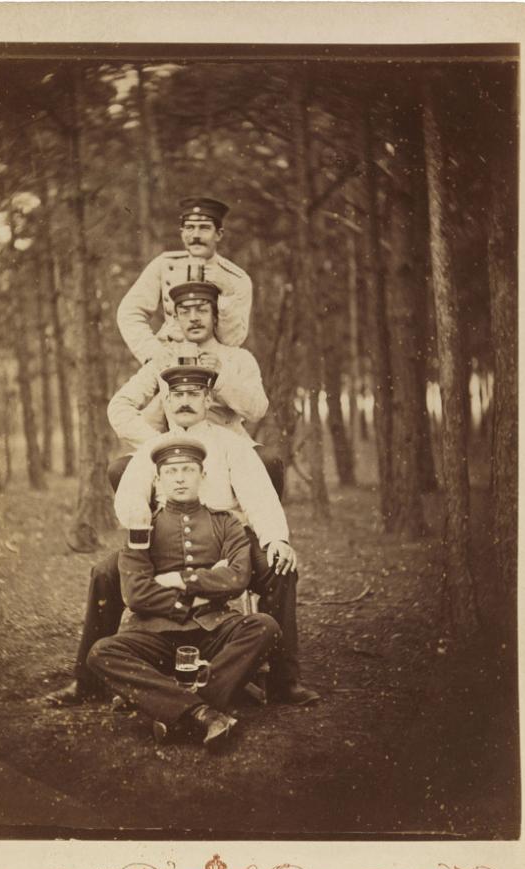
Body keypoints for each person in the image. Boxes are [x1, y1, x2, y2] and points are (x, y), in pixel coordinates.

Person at [48, 366, 319, 709]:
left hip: (225, 534)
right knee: (104, 573)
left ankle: (284, 679)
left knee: (280, 567)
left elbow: (259, 497)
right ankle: (85, 680)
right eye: (177, 395)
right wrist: (138, 516)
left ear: (208, 399)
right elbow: (130, 494)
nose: (185, 402)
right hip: (165, 537)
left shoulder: (233, 445)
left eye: (193, 395)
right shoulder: (154, 447)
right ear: (166, 400)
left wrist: (276, 539)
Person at [84, 438, 281, 750]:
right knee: (100, 653)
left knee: (265, 626)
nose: (179, 477)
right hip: (156, 634)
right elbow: (135, 593)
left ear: (202, 476)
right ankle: (204, 713)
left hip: (213, 628)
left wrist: (180, 579)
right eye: (171, 471)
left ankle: (171, 711)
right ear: (158, 480)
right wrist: (200, 591)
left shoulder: (226, 523)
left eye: (188, 470)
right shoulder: (142, 527)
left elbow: (237, 578)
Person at [108, 279, 283, 496]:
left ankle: (254, 530)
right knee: (121, 470)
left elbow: (258, 409)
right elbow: (119, 407)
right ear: (176, 318)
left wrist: (222, 379)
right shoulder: (164, 360)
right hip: (178, 451)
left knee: (269, 462)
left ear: (215, 315)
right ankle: (152, 529)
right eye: (184, 312)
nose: (193, 318)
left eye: (202, 310)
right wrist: (156, 441)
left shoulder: (238, 358)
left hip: (230, 449)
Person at [116, 197, 252, 365]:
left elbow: (233, 340)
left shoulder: (237, 278)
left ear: (218, 234)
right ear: (181, 233)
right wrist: (152, 353)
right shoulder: (164, 265)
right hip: (170, 362)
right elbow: (129, 312)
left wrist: (226, 295)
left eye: (204, 228)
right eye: (189, 227)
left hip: (217, 365)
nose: (195, 235)